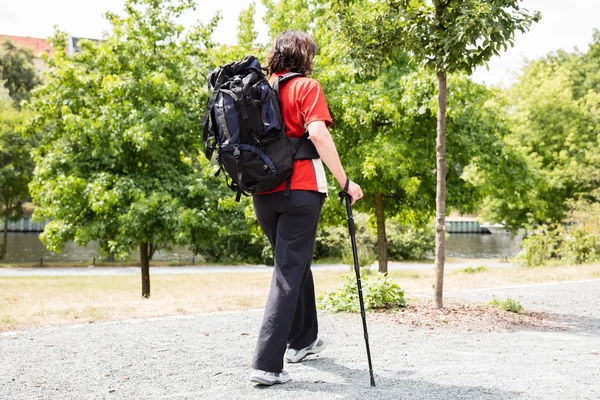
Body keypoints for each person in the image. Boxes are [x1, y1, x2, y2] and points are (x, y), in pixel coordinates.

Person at [249, 30, 363, 386]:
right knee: (288, 271)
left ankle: (303, 340)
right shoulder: (306, 87)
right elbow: (318, 134)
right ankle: (267, 363)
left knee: (294, 263)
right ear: (304, 57)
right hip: (300, 191)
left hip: (262, 193)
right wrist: (346, 182)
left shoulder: (257, 90)